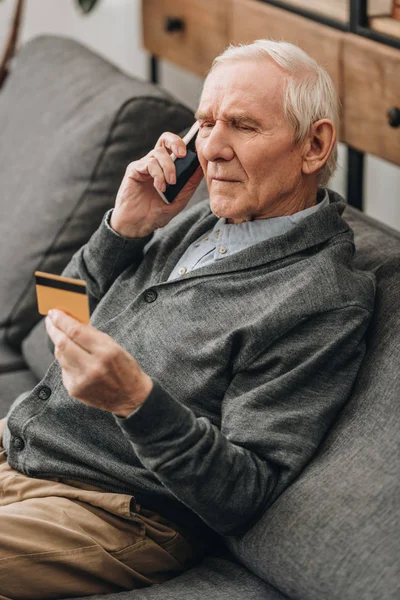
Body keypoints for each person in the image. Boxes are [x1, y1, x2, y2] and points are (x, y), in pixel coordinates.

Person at [0, 39, 375, 599]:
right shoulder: (192, 222)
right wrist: (121, 230)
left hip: (119, 513)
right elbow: (53, 314)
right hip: (22, 450)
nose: (213, 148)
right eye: (206, 122)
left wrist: (136, 401)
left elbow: (242, 494)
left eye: (243, 126)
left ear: (314, 145)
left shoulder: (322, 298)